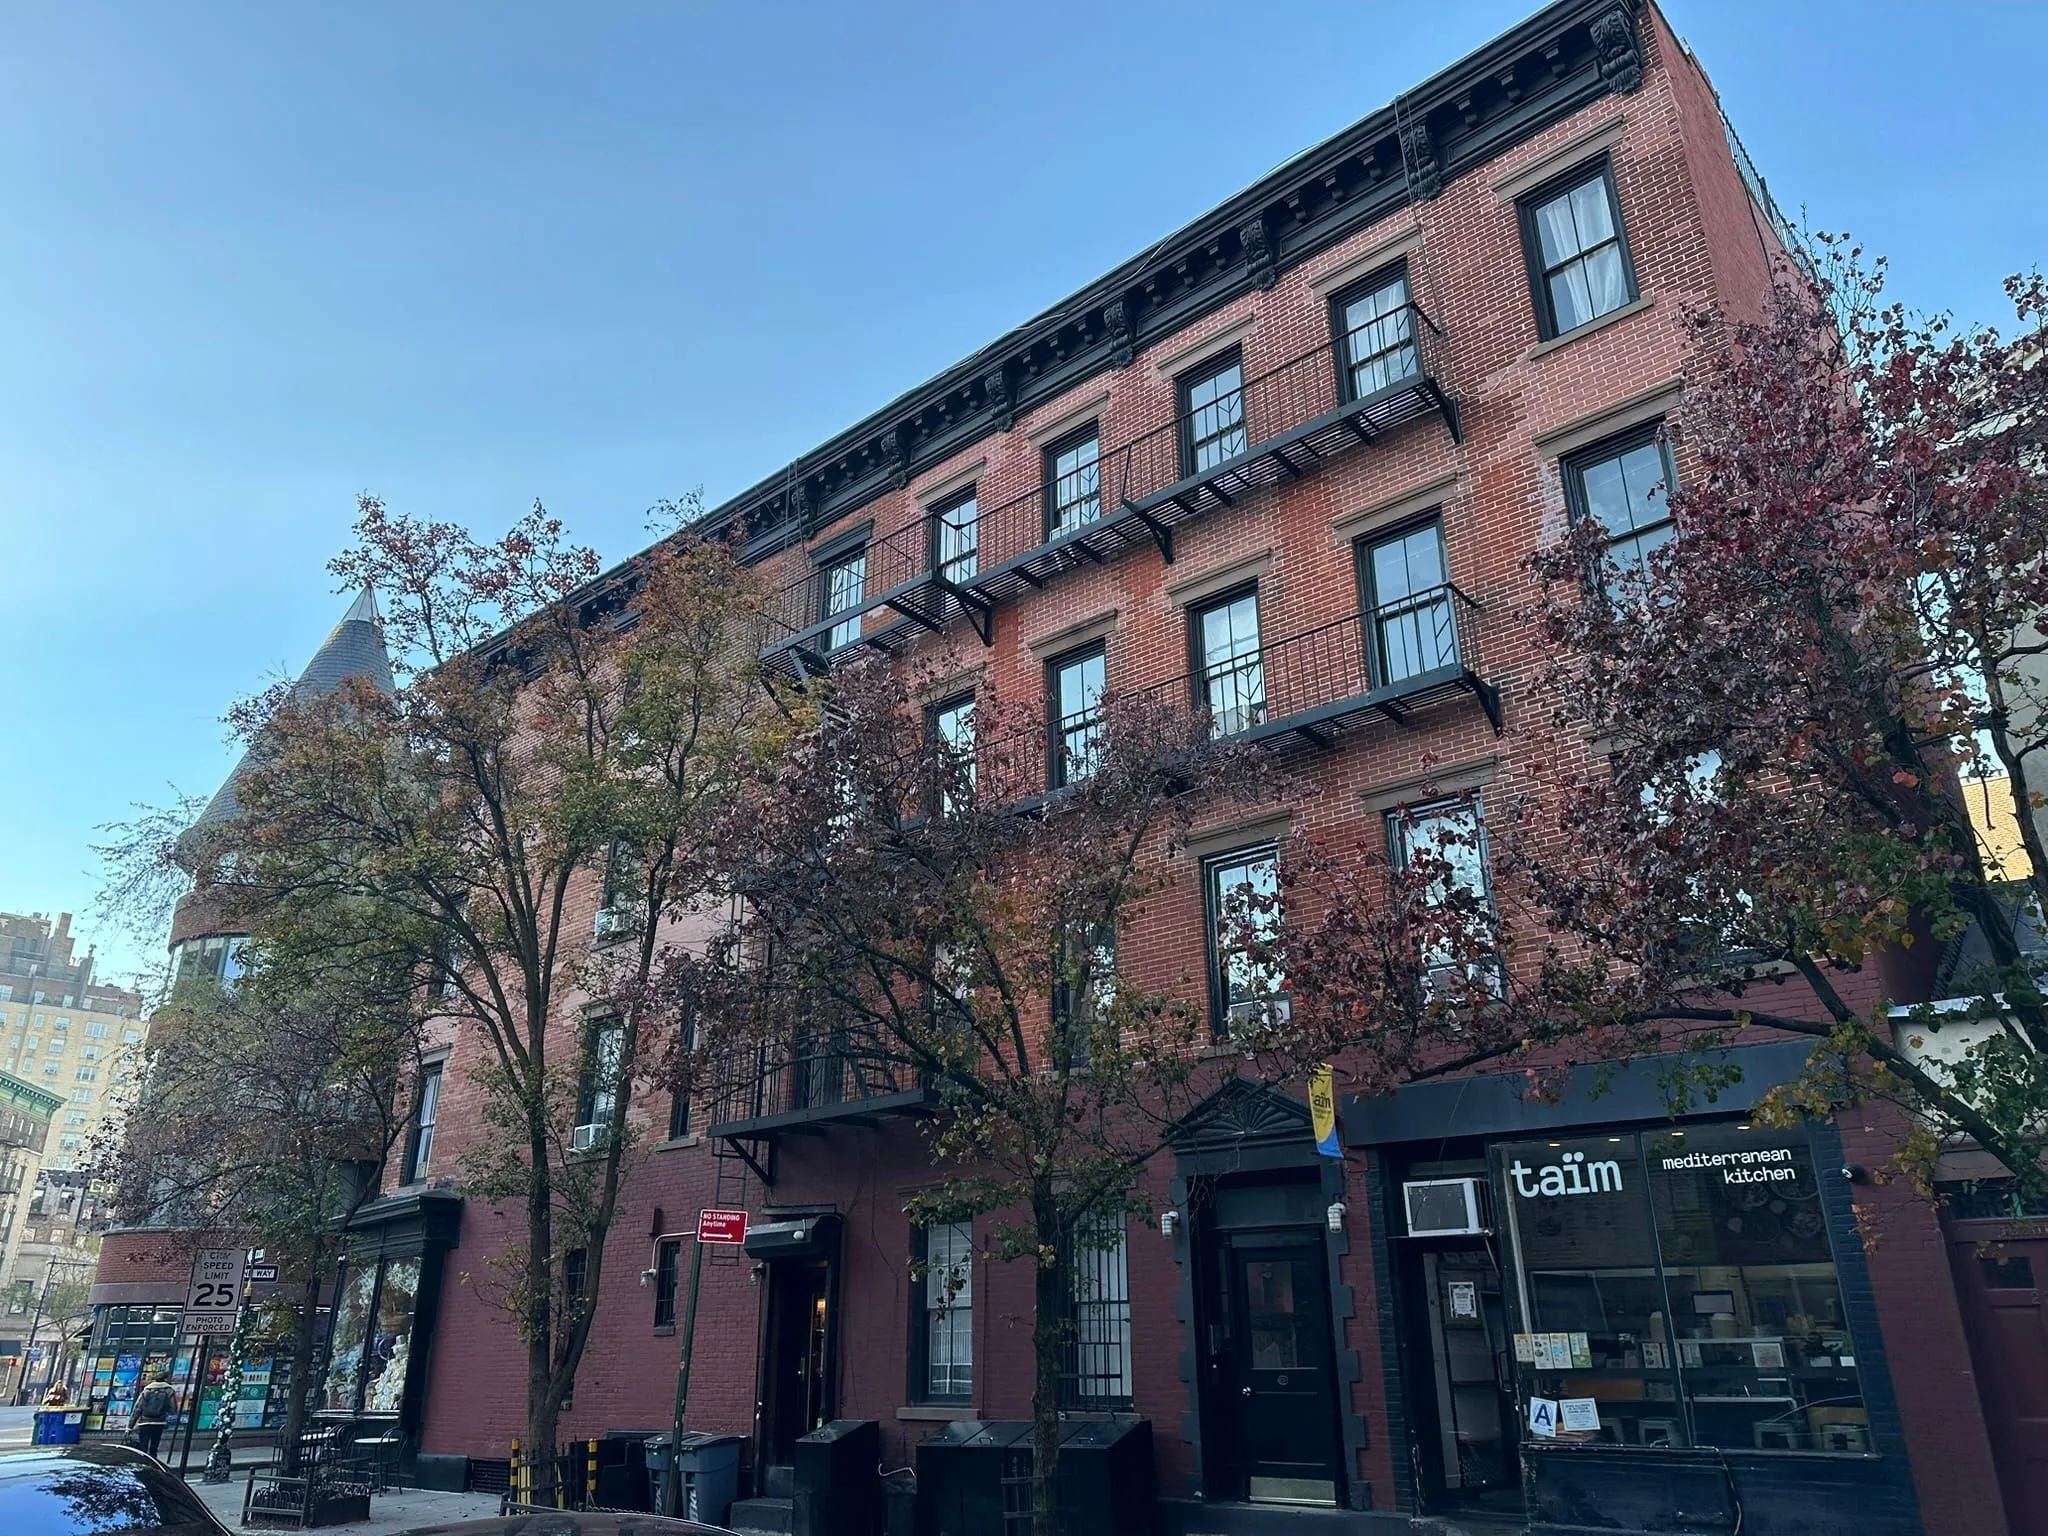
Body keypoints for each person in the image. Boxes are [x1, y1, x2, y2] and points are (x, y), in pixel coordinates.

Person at [129, 1367, 177, 1458]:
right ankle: (153, 1465)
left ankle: (143, 1463)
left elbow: (137, 1409)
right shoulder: (169, 1390)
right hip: (158, 1422)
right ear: (166, 1379)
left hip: (144, 1422)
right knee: (154, 1447)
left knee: (143, 1447)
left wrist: (129, 1426)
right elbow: (173, 1408)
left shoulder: (147, 1390)